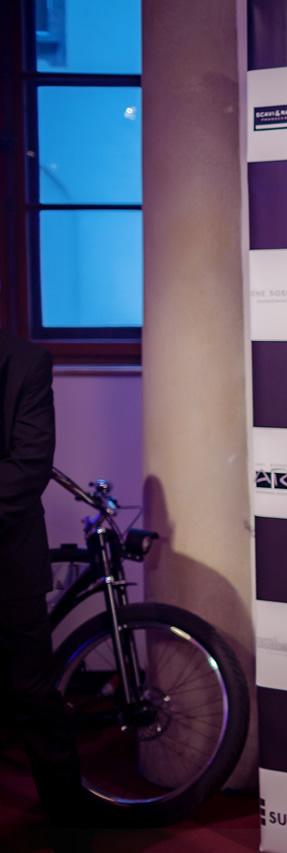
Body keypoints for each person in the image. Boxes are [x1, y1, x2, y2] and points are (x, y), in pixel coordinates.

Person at [0, 331, 87, 849]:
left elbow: (30, 464)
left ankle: (69, 828)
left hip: (8, 562)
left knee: (34, 695)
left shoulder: (28, 362)